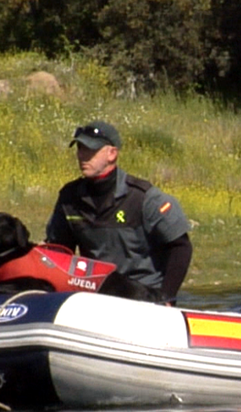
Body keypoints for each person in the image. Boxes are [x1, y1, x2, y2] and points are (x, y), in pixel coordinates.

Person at [45, 120, 193, 305]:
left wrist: (167, 298)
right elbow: (59, 252)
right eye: (80, 148)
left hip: (144, 297)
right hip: (97, 295)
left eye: (91, 150)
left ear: (112, 154)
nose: (82, 155)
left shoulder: (144, 198)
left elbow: (181, 247)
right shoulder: (69, 197)